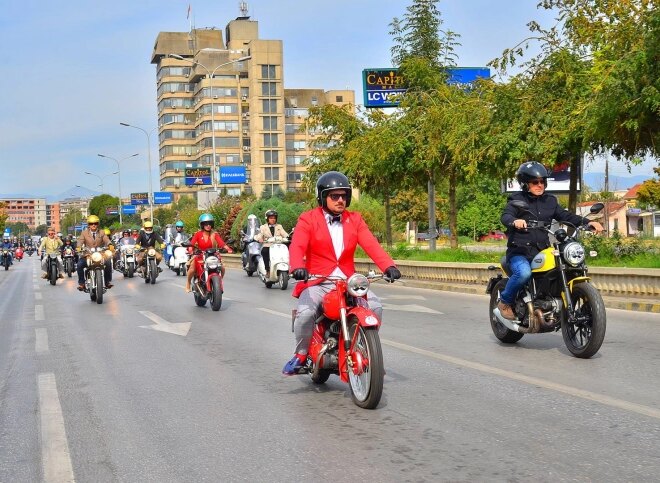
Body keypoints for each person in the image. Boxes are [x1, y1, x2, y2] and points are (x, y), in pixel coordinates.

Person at [283, 171, 402, 375]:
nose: (340, 200)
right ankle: (301, 355)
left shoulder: (354, 220)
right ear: (322, 197)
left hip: (348, 283)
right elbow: (297, 246)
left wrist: (388, 266)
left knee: (375, 305)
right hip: (318, 281)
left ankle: (366, 349)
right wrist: (297, 267)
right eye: (334, 196)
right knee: (305, 313)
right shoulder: (308, 219)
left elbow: (371, 244)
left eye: (344, 196)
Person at [497, 161, 604, 320]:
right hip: (520, 251)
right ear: (525, 184)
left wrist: (587, 222)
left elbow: (567, 217)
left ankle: (552, 302)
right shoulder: (516, 199)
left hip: (542, 250)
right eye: (535, 182)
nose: (540, 185)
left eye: (542, 182)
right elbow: (506, 216)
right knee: (524, 273)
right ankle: (504, 302)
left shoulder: (550, 201)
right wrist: (514, 221)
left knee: (567, 266)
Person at [185, 213, 233, 293]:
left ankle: (218, 283)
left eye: (210, 224)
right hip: (200, 255)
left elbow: (221, 243)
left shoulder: (215, 234)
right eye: (206, 224)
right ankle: (188, 283)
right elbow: (192, 244)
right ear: (202, 225)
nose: (208, 225)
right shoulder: (198, 234)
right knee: (192, 268)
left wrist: (228, 249)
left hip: (213, 255)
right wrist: (190, 250)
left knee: (222, 268)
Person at [76, 215, 114, 291]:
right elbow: (80, 241)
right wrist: (79, 247)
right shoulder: (84, 233)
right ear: (88, 225)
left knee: (108, 262)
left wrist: (110, 244)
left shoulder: (102, 232)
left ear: (98, 224)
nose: (93, 225)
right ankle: (82, 283)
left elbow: (106, 239)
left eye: (95, 223)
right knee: (79, 265)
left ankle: (107, 282)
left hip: (100, 254)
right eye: (91, 223)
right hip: (88, 254)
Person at [254, 209, 288, 274]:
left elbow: (284, 234)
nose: (273, 219)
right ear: (267, 219)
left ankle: (288, 265)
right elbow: (259, 235)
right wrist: (259, 239)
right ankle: (267, 270)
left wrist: (288, 237)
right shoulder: (263, 227)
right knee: (264, 251)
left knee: (287, 249)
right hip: (268, 245)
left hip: (278, 245)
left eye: (274, 218)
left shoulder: (279, 226)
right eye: (271, 218)